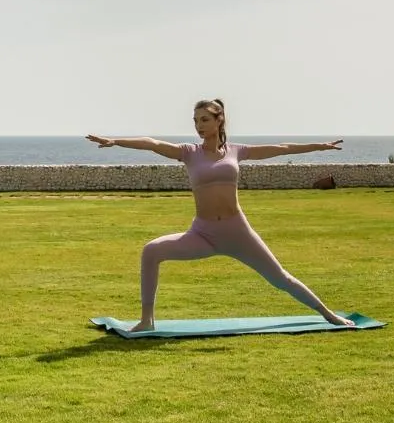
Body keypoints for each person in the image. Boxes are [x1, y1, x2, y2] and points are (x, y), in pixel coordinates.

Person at [85, 98, 353, 333]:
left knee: (280, 279)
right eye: (195, 120)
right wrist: (115, 141)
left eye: (204, 119)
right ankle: (147, 320)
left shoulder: (237, 151)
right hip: (203, 234)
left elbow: (281, 148)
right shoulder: (188, 153)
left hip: (238, 232)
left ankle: (329, 315)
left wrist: (320, 146)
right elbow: (153, 144)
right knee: (151, 251)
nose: (199, 125)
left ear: (219, 120)